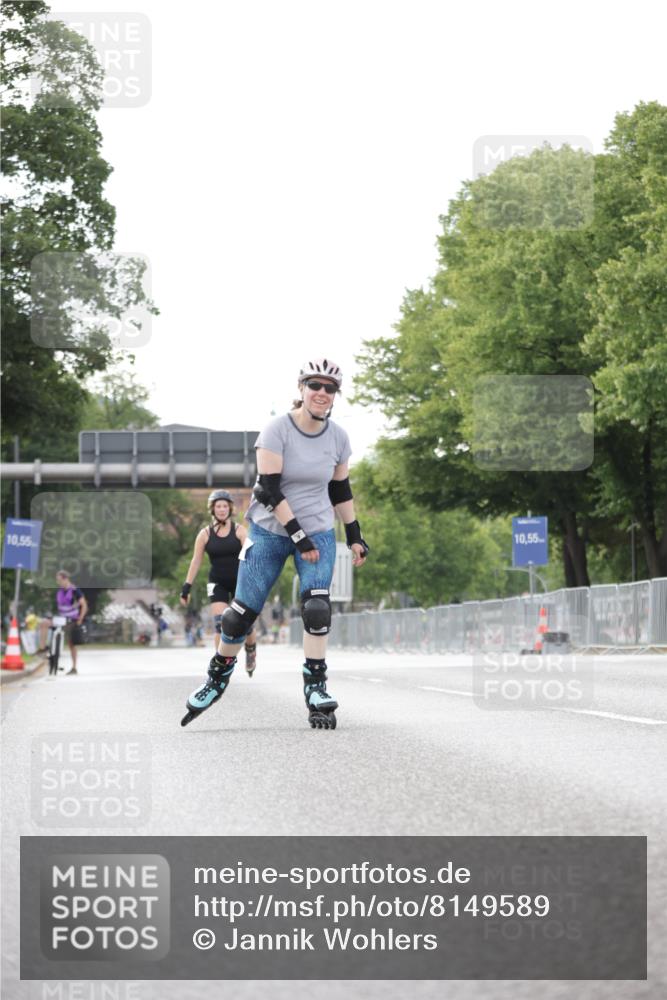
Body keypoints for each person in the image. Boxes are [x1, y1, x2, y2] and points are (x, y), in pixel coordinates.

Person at [181, 357, 369, 730]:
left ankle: (316, 687)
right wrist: (296, 537)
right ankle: (216, 678)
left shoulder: (339, 438)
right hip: (269, 530)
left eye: (329, 388)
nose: (321, 393)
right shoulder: (276, 430)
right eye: (314, 385)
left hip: (317, 529)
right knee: (239, 616)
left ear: (335, 396)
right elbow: (268, 489)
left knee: (317, 608)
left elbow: (339, 488)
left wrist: (354, 534)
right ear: (301, 389)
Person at [179, 489, 258, 674]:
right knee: (220, 624)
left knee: (244, 624)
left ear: (230, 508)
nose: (221, 509)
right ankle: (220, 665)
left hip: (240, 581)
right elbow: (196, 560)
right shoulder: (204, 534)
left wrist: (255, 581)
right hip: (217, 582)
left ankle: (251, 650)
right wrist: (186, 587)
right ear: (213, 509)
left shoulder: (239, 531)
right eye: (218, 506)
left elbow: (251, 556)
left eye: (224, 506)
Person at [52, 569, 88, 675]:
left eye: (59, 580)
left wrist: (80, 619)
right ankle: (45, 650)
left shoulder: (74, 590)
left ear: (65, 579)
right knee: (46, 626)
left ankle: (74, 667)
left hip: (71, 620)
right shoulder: (60, 591)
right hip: (61, 619)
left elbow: (84, 605)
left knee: (71, 644)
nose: (58, 582)